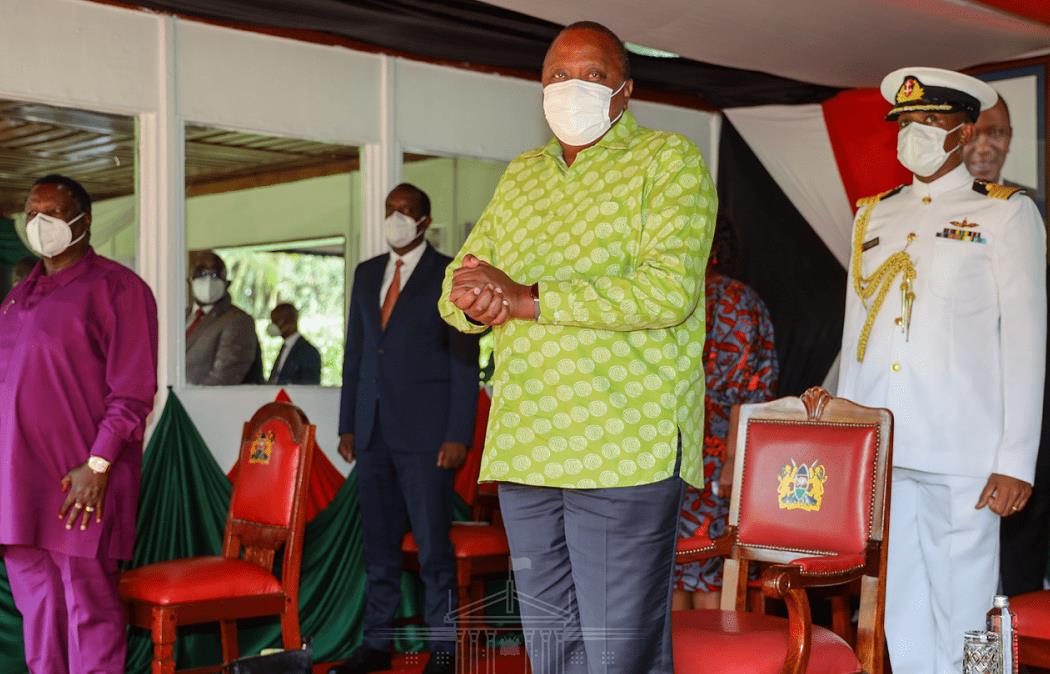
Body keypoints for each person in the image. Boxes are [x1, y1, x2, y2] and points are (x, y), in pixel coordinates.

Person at [440, 21, 716, 674]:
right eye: (559, 76)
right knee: (550, 647)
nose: (573, 87)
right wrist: (473, 299)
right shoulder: (523, 175)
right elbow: (461, 283)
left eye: (592, 75)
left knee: (618, 652)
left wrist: (528, 299)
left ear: (625, 90)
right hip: (529, 442)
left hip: (624, 444)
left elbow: (667, 292)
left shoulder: (667, 161)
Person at [838, 67, 1046, 673]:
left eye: (931, 120)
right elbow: (856, 337)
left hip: (964, 449)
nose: (916, 133)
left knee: (965, 605)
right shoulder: (872, 215)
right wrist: (852, 442)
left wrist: (1016, 459)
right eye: (907, 122)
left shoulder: (1005, 214)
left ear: (965, 131)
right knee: (899, 601)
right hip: (888, 444)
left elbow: (1027, 342)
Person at [0, 174, 158, 673]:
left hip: (82, 484)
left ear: (83, 221)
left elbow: (133, 392)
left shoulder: (118, 289)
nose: (39, 222)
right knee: (39, 611)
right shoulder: (18, 297)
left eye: (52, 212)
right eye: (32, 212)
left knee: (89, 611)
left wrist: (98, 464)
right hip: (20, 486)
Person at [333, 183, 479, 674]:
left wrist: (458, 434)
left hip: (428, 438)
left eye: (406, 210)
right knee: (378, 549)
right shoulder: (366, 272)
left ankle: (443, 650)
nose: (395, 217)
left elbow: (465, 360)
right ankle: (377, 645)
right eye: (389, 209)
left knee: (433, 551)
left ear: (424, 220)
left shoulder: (449, 274)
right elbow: (356, 353)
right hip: (371, 434)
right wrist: (348, 425)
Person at [672, 218, 778, 610]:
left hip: (715, 458)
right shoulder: (667, 298)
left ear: (714, 247)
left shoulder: (734, 301)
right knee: (671, 571)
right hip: (672, 454)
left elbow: (744, 391)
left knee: (708, 568)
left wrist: (734, 461)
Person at [185, 250, 263, 385]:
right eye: (201, 273)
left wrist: (189, 396)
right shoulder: (180, 318)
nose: (208, 280)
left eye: (215, 275)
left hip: (206, 398)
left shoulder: (238, 321)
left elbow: (223, 378)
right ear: (190, 281)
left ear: (227, 283)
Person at [962, 95, 1046, 219]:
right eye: (972, 134)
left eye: (995, 132)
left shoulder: (1034, 203)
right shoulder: (940, 198)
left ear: (1009, 136)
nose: (983, 148)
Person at [266, 302, 322, 385]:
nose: (273, 325)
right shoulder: (286, 347)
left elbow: (309, 387)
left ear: (291, 321)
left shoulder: (308, 352)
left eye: (277, 321)